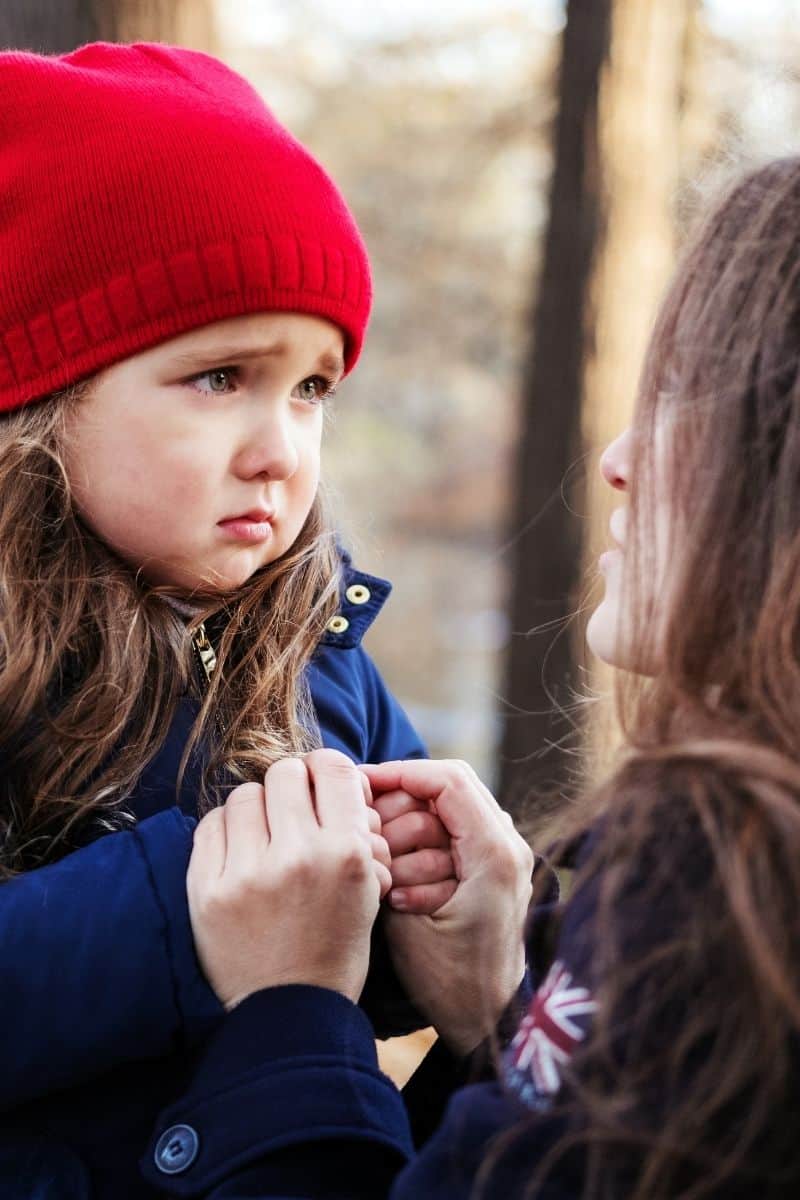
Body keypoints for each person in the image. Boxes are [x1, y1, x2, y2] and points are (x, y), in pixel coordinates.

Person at [140, 155, 800, 1199]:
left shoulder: (733, 880)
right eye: (218, 376)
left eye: (689, 400)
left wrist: (292, 1010)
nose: (616, 457)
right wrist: (502, 1014)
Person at [0, 41, 459, 1200]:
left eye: (312, 388)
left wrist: (429, 899)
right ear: (43, 390)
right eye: (221, 378)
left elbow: (355, 964)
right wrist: (186, 911)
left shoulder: (317, 645)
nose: (281, 450)